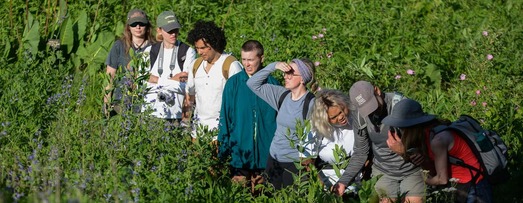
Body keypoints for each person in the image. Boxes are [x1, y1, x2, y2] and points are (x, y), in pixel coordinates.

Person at [381, 99, 493, 203]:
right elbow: (434, 168)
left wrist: (426, 180)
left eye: (401, 128)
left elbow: (442, 179)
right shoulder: (428, 133)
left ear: (410, 127)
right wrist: (422, 160)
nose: (400, 131)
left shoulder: (437, 140)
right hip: (462, 185)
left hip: (475, 186)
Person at [332, 81, 424, 203]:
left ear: (377, 91)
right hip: (383, 170)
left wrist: (404, 150)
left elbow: (423, 139)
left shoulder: (402, 106)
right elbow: (360, 152)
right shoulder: (360, 116)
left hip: (412, 169)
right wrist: (343, 181)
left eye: (373, 106)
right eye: (366, 110)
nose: (371, 112)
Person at [217, 40, 279, 194]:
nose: (247, 64)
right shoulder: (233, 84)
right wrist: (223, 153)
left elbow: (280, 122)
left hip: (266, 155)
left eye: (251, 59)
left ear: (262, 58)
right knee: (239, 195)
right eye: (244, 59)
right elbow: (225, 119)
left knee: (264, 196)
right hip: (240, 155)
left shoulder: (273, 85)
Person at [247, 58, 317, 190]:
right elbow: (252, 83)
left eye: (290, 73)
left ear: (303, 79)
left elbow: (312, 135)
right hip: (274, 157)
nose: (285, 76)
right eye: (285, 72)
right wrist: (274, 66)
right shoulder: (282, 95)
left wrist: (306, 165)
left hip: (295, 163)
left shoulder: (311, 103)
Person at [184, 20, 242, 140]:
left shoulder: (231, 65)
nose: (199, 52)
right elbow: (190, 96)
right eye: (197, 48)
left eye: (204, 48)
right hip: (198, 132)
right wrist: (185, 124)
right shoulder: (195, 65)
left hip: (223, 132)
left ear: (215, 44)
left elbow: (240, 101)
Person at [142, 10, 196, 125]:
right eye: (169, 31)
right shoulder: (149, 51)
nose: (173, 34)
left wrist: (155, 80)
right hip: (150, 113)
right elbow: (141, 85)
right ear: (159, 30)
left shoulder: (187, 51)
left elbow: (186, 87)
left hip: (175, 114)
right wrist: (172, 80)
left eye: (175, 30)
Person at [104, 9, 155, 115]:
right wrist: (106, 103)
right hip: (121, 102)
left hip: (146, 103)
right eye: (134, 24)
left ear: (147, 25)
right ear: (128, 27)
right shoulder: (119, 46)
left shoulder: (155, 47)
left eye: (141, 23)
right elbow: (110, 76)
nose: (138, 27)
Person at [307, 89, 356, 190]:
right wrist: (323, 187)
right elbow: (306, 161)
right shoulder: (315, 127)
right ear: (324, 118)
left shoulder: (355, 118)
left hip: (357, 180)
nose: (341, 117)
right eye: (334, 117)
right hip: (329, 181)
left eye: (342, 110)